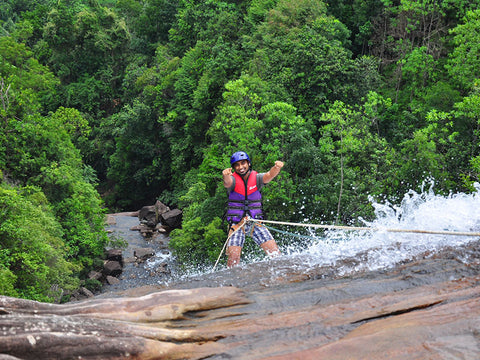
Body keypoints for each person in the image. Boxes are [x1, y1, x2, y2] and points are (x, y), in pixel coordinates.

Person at [222, 151, 283, 268]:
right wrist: (225, 175)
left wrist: (277, 167)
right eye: (237, 165)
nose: (241, 167)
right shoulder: (233, 180)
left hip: (255, 222)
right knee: (233, 259)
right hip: (237, 223)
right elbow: (227, 183)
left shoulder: (257, 178)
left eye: (243, 163)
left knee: (275, 254)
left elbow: (270, 175)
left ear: (248, 164)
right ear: (234, 168)